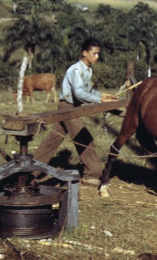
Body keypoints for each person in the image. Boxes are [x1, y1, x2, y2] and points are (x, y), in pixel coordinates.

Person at [32, 38, 118, 186]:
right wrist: (100, 101)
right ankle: (91, 174)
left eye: (98, 54)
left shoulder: (87, 69)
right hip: (68, 108)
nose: (97, 57)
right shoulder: (76, 70)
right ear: (84, 53)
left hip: (72, 107)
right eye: (94, 54)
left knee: (51, 141)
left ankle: (30, 172)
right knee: (84, 138)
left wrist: (103, 95)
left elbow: (87, 90)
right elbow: (79, 93)